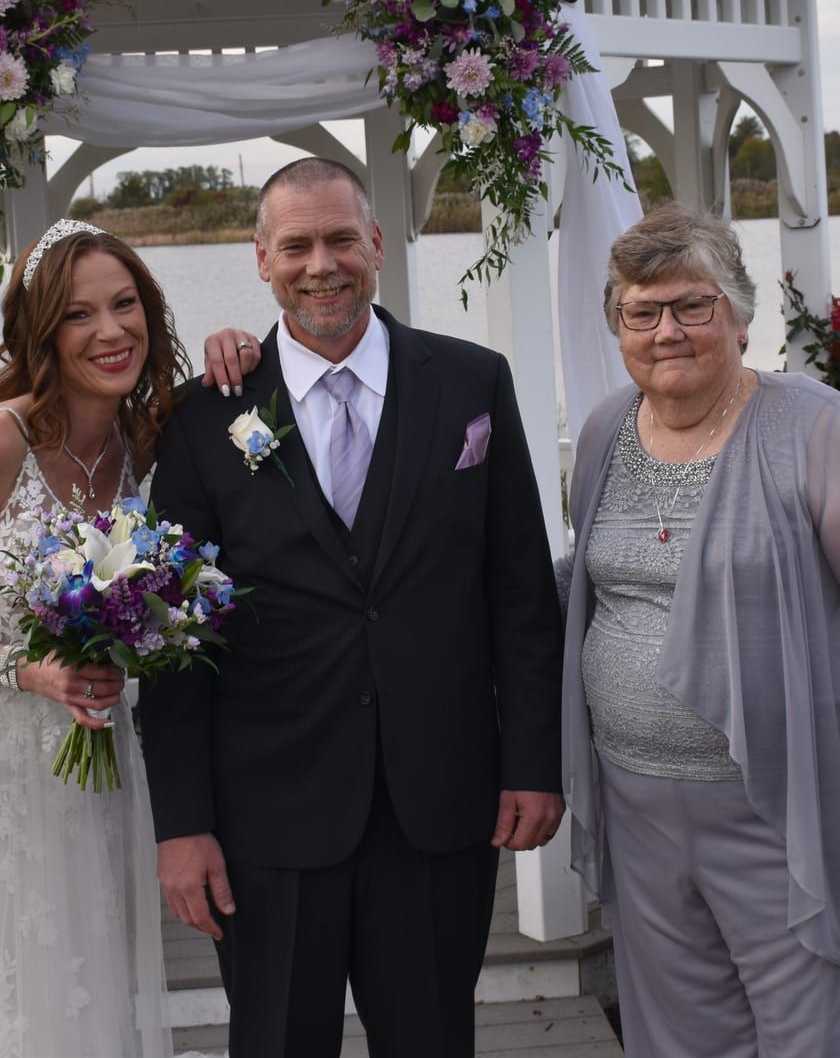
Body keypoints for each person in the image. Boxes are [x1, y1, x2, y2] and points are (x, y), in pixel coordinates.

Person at [138, 158, 564, 1058]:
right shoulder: (203, 418)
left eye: (340, 239)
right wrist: (182, 825)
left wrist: (532, 760)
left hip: (438, 802)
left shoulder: (471, 383)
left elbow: (519, 591)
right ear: (261, 260)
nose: (320, 264)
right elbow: (174, 644)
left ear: (376, 244)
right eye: (295, 245)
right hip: (267, 816)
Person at [559, 207, 840, 1057]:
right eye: (642, 312)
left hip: (792, 809)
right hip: (641, 810)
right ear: (619, 327)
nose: (667, 331)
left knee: (825, 1025)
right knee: (680, 1035)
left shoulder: (814, 429)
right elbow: (586, 586)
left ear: (740, 315)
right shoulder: (601, 433)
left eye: (692, 306)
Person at [0, 219, 261, 1057]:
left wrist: (238, 347)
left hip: (89, 776)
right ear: (42, 332)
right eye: (80, 315)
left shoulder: (145, 442)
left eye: (126, 305)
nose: (112, 330)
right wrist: (26, 669)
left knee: (79, 989)